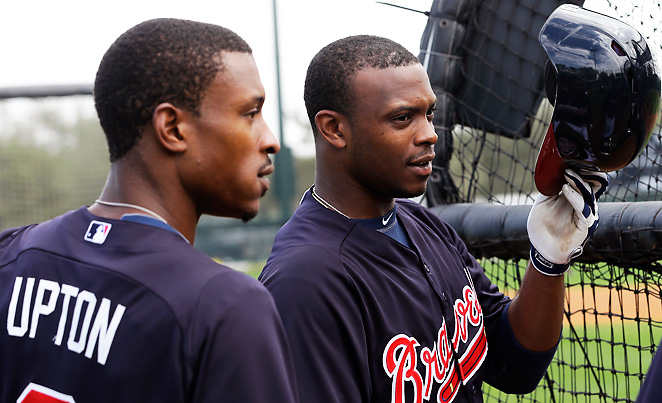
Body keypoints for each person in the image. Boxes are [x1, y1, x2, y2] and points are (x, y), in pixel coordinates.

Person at [259, 35, 607, 403]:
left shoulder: (423, 225)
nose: (429, 134)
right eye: (402, 118)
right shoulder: (305, 282)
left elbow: (517, 363)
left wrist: (548, 261)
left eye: (429, 114)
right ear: (334, 129)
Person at [1, 18, 297, 403]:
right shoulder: (225, 306)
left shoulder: (11, 254)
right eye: (250, 113)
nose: (270, 140)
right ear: (172, 129)